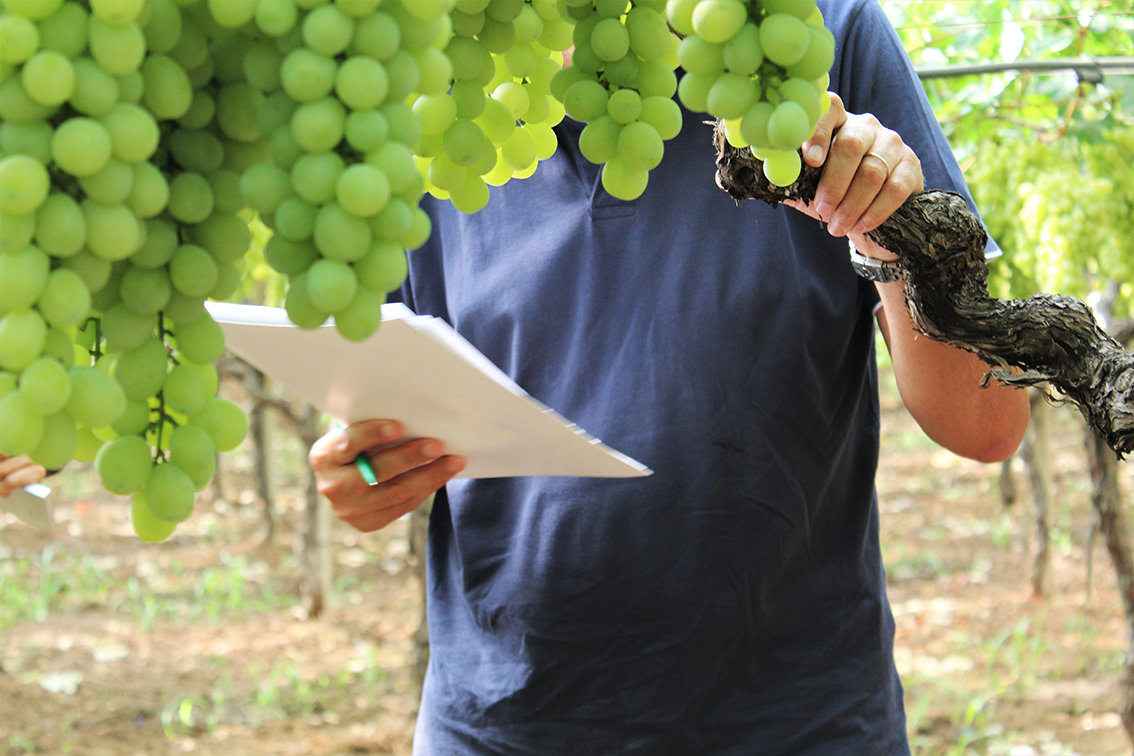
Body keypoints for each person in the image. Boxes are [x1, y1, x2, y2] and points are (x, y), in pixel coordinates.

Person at [310, 1, 1031, 753]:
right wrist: (364, 467)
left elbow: (987, 425)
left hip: (799, 727)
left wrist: (899, 237)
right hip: (500, 728)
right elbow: (376, 421)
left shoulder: (809, 37)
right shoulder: (432, 82)